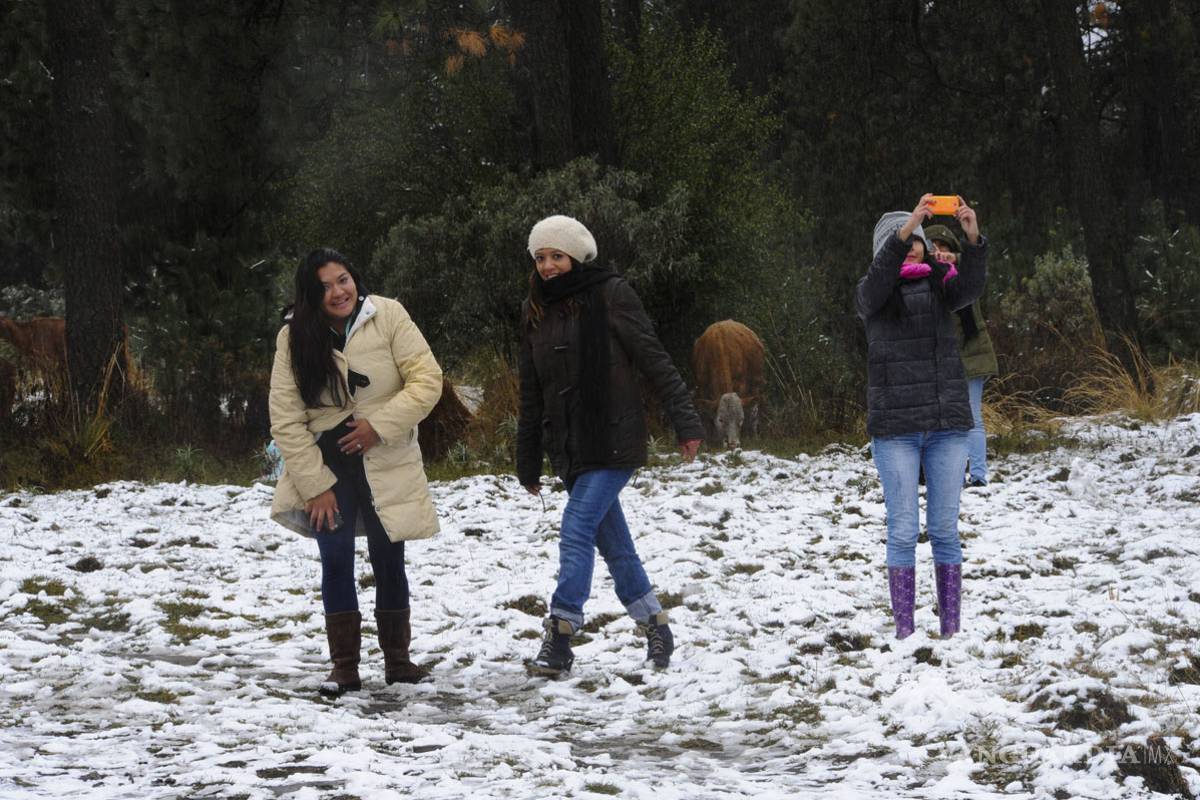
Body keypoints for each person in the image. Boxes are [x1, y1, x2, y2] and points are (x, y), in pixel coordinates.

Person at [516, 215, 705, 676]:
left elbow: (653, 357)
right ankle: (655, 624)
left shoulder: (611, 294)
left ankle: (561, 633)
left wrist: (685, 421)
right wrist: (528, 457)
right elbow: (532, 390)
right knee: (614, 543)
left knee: (576, 527)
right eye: (540, 257)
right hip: (569, 446)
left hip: (613, 436)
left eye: (556, 256)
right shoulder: (535, 309)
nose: (547, 266)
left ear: (576, 256)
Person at [269, 248, 443, 696]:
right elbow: (285, 419)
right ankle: (344, 667)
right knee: (335, 558)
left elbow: (427, 380)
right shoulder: (293, 337)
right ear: (310, 294)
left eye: (343, 280)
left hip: (386, 456)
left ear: (355, 278)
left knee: (389, 556)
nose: (338, 292)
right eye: (325, 286)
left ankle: (398, 662)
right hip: (326, 465)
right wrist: (315, 485)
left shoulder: (389, 315)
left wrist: (377, 427)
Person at [856, 195, 987, 640]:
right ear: (886, 248)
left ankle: (951, 633)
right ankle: (905, 635)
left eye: (918, 240)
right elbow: (878, 281)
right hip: (896, 432)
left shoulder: (941, 286)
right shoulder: (872, 295)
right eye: (904, 240)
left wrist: (973, 239)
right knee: (903, 531)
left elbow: (971, 288)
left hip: (947, 427)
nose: (913, 246)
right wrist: (908, 224)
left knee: (945, 531)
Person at [925, 225, 999, 488]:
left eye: (943, 246)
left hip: (972, 354)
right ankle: (950, 474)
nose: (939, 252)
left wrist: (954, 258)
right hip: (943, 359)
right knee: (944, 422)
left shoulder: (964, 276)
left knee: (972, 417)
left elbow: (974, 264)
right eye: (933, 247)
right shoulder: (925, 280)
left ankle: (978, 475)